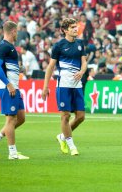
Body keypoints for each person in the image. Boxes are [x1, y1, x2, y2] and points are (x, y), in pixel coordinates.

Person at [42, 18, 87, 156]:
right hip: (63, 85)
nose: (76, 29)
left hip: (77, 85)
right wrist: (45, 87)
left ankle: (62, 136)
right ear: (65, 30)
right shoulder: (58, 45)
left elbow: (84, 62)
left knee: (81, 117)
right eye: (73, 27)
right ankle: (71, 145)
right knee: (65, 116)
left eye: (76, 26)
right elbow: (50, 66)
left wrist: (82, 71)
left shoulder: (80, 44)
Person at [0, 21, 29, 160]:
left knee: (21, 118)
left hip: (14, 88)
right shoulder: (3, 47)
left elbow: (7, 67)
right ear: (12, 31)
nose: (17, 34)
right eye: (16, 31)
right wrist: (8, 84)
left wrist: (19, 70)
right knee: (11, 120)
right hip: (7, 88)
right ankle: (12, 153)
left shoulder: (10, 47)